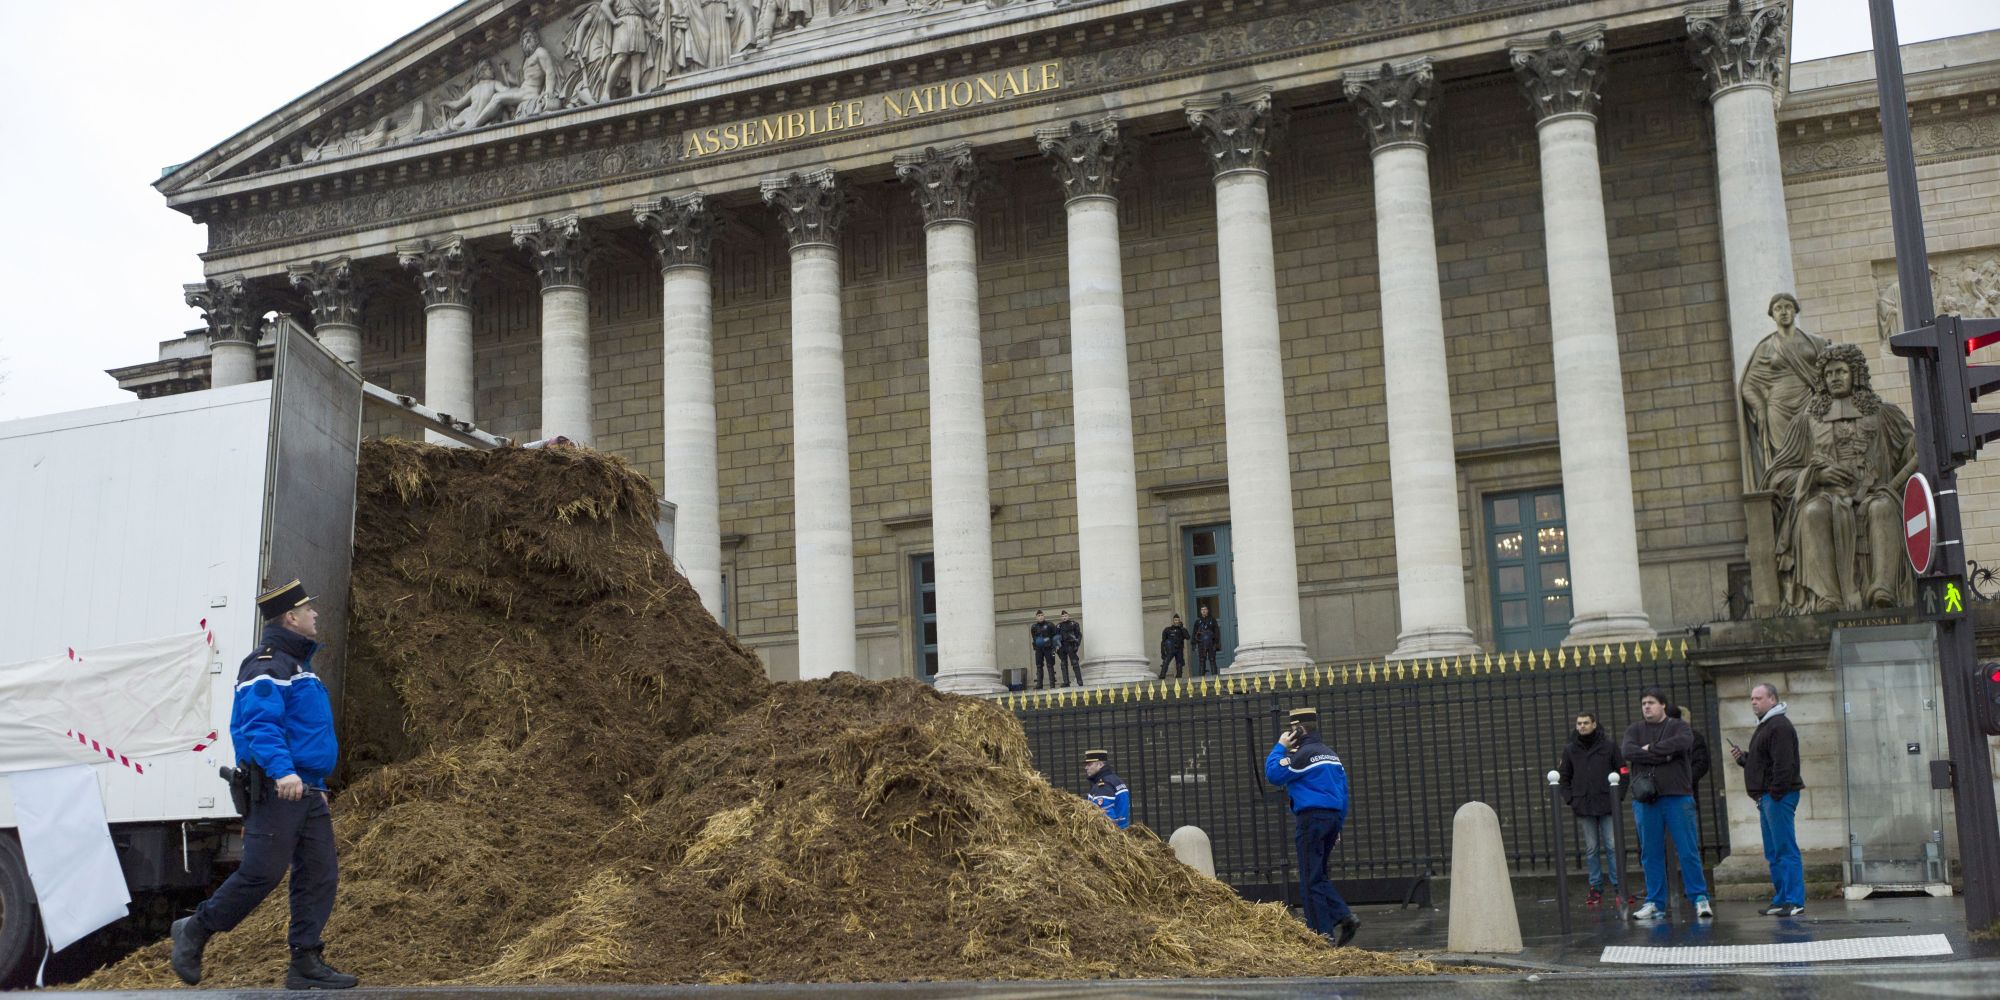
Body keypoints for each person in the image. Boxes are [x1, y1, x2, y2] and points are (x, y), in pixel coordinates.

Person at [172, 580, 356, 989]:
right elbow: (260, 726)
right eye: (309, 609)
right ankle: (196, 929)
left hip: (305, 790)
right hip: (278, 789)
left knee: (320, 873)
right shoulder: (266, 664)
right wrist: (283, 771)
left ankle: (305, 961)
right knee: (261, 873)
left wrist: (312, 780)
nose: (316, 615)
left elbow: (302, 732)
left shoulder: (297, 666)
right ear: (290, 617)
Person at [1266, 707, 1359, 947]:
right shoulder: (1331, 755)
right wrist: (1338, 826)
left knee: (1310, 878)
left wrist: (1280, 747)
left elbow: (1273, 774)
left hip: (1312, 819)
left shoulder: (1302, 755)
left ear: (1299, 729)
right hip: (1333, 818)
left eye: (1292, 729)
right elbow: (1344, 793)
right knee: (1318, 875)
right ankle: (1330, 926)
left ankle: (1329, 928)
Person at [1620, 687, 1711, 921]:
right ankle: (1655, 902)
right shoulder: (1635, 729)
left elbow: (1682, 744)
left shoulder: (1679, 727)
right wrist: (1664, 755)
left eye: (1651, 702)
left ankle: (1699, 898)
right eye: (1643, 703)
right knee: (1650, 853)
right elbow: (1627, 751)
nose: (1646, 707)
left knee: (1688, 850)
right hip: (1647, 800)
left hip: (1678, 796)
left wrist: (1649, 750)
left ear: (1662, 705)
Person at [1730, 682, 1805, 916]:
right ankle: (1782, 898)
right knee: (1773, 852)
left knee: (1785, 849)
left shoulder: (1778, 725)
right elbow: (1765, 761)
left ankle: (1795, 900)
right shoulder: (1766, 725)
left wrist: (1774, 793)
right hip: (1768, 797)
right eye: (1752, 698)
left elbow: (1784, 764)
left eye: (1758, 698)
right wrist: (1744, 759)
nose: (1753, 702)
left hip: (1777, 797)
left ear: (1772, 699)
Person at [1557, 712, 1623, 906]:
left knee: (1612, 846)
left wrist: (1617, 796)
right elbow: (1564, 777)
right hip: (1584, 805)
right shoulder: (1570, 750)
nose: (1582, 726)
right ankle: (1595, 887)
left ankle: (1619, 886)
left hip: (1606, 804)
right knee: (1591, 848)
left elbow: (1623, 771)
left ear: (1594, 724)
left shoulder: (1609, 746)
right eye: (1579, 723)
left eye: (1586, 723)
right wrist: (1571, 799)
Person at [1082, 749, 1129, 830]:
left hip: (1113, 835)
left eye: (1089, 764)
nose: (1086, 767)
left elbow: (1106, 818)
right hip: (1122, 830)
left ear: (1100, 764)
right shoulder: (1116, 780)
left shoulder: (1103, 785)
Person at [1028, 611, 1058, 690]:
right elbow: (1034, 637)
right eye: (1039, 615)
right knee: (1039, 665)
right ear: (1036, 617)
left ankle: (1052, 684)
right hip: (1039, 648)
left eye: (1041, 615)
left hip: (1048, 647)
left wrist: (1052, 645)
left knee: (1050, 665)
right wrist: (1037, 643)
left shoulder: (1050, 625)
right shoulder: (1034, 627)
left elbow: (1055, 636)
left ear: (1044, 616)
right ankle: (1039, 684)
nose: (1040, 617)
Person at [1191, 605, 1222, 677]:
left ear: (1207, 610)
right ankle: (1201, 678)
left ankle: (1215, 677)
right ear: (1200, 611)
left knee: (1212, 660)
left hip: (1211, 643)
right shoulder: (1198, 621)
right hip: (1201, 644)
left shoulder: (1212, 620)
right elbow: (1194, 633)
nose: (1204, 611)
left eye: (1205, 609)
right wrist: (1193, 644)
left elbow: (1216, 631)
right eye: (1202, 609)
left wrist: (1216, 643)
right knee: (1202, 660)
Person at [1056, 610, 1083, 687]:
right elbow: (1056, 637)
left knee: (1075, 663)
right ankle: (1066, 682)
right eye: (1063, 616)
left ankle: (1079, 681)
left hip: (1070, 645)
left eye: (1066, 616)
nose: (1064, 617)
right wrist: (1057, 646)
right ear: (1061, 617)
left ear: (1068, 616)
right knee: (1063, 664)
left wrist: (1077, 645)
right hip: (1062, 646)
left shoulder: (1073, 624)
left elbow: (1079, 635)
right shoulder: (1058, 626)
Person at [1159, 614, 1188, 679]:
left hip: (1179, 649)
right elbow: (1163, 642)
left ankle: (1179, 676)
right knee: (1166, 661)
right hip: (1170, 649)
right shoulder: (1167, 629)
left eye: (1178, 620)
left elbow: (1187, 637)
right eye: (1175, 620)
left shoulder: (1182, 629)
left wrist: (1182, 628)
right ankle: (1162, 675)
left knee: (1179, 663)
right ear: (1173, 621)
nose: (1176, 621)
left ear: (1179, 621)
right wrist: (1162, 652)